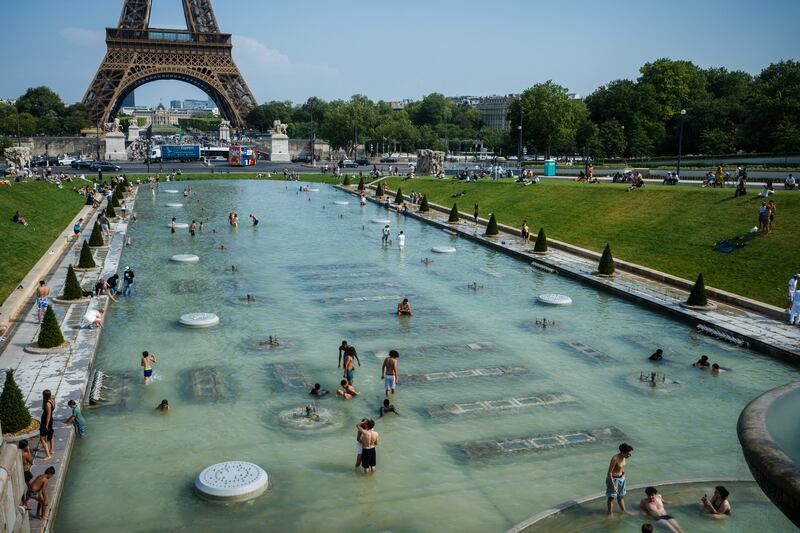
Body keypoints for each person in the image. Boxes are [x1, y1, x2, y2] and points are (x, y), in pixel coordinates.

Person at [606, 442, 633, 515]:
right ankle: (610, 514)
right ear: (623, 453)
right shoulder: (615, 459)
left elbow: (622, 467)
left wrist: (623, 474)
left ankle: (624, 510)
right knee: (611, 498)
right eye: (629, 454)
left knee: (621, 496)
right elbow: (609, 473)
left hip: (621, 478)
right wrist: (613, 485)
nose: (630, 455)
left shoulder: (624, 457)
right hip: (613, 479)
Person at [39, 390, 55, 460]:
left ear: (44, 396)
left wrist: (46, 425)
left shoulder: (47, 404)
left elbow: (48, 415)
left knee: (42, 438)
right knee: (51, 435)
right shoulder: (52, 400)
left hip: (46, 421)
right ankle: (51, 450)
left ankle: (48, 455)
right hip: (50, 420)